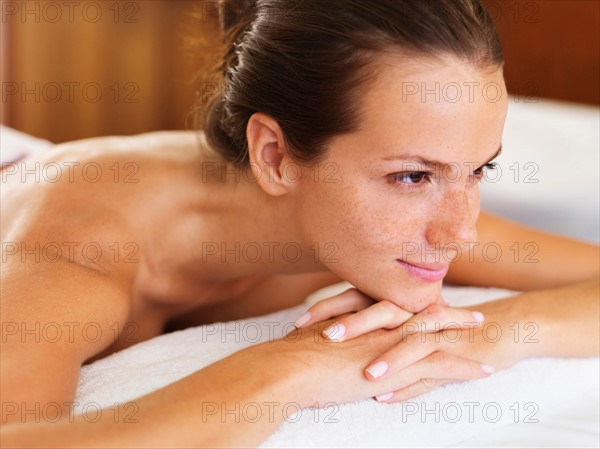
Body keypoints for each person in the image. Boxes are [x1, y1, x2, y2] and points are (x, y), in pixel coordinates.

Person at [1, 0, 598, 447]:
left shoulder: (372, 223)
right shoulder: (70, 258)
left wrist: (498, 329)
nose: (460, 232)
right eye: (414, 176)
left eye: (478, 170)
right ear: (274, 156)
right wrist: (287, 368)